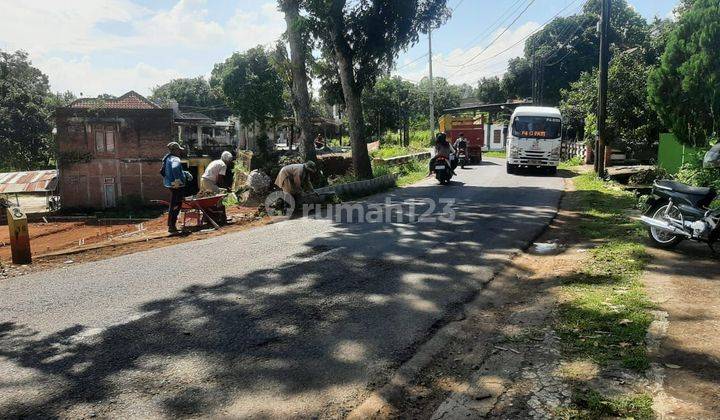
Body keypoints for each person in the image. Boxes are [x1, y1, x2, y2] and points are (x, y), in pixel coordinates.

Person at [161, 142, 188, 234]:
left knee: (173, 205)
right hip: (177, 186)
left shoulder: (167, 158)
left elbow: (171, 170)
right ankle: (172, 226)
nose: (180, 152)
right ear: (175, 150)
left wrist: (185, 173)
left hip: (170, 185)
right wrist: (177, 180)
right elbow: (175, 168)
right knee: (177, 205)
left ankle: (171, 225)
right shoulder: (175, 159)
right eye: (179, 150)